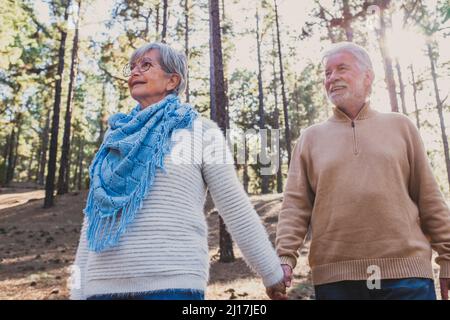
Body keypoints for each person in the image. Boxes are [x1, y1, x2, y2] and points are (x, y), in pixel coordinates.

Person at [70, 42, 286, 300]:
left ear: (172, 81)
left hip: (171, 285)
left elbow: (234, 206)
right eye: (132, 67)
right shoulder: (114, 139)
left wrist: (272, 274)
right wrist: (77, 291)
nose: (134, 72)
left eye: (146, 65)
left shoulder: (201, 131)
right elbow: (93, 217)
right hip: (102, 289)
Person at [275, 41, 450, 300]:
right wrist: (284, 259)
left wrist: (447, 257)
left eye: (341, 68)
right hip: (336, 281)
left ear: (367, 76)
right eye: (327, 73)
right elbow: (295, 207)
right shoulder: (310, 138)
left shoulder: (401, 127)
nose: (332, 78)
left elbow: (429, 197)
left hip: (406, 277)